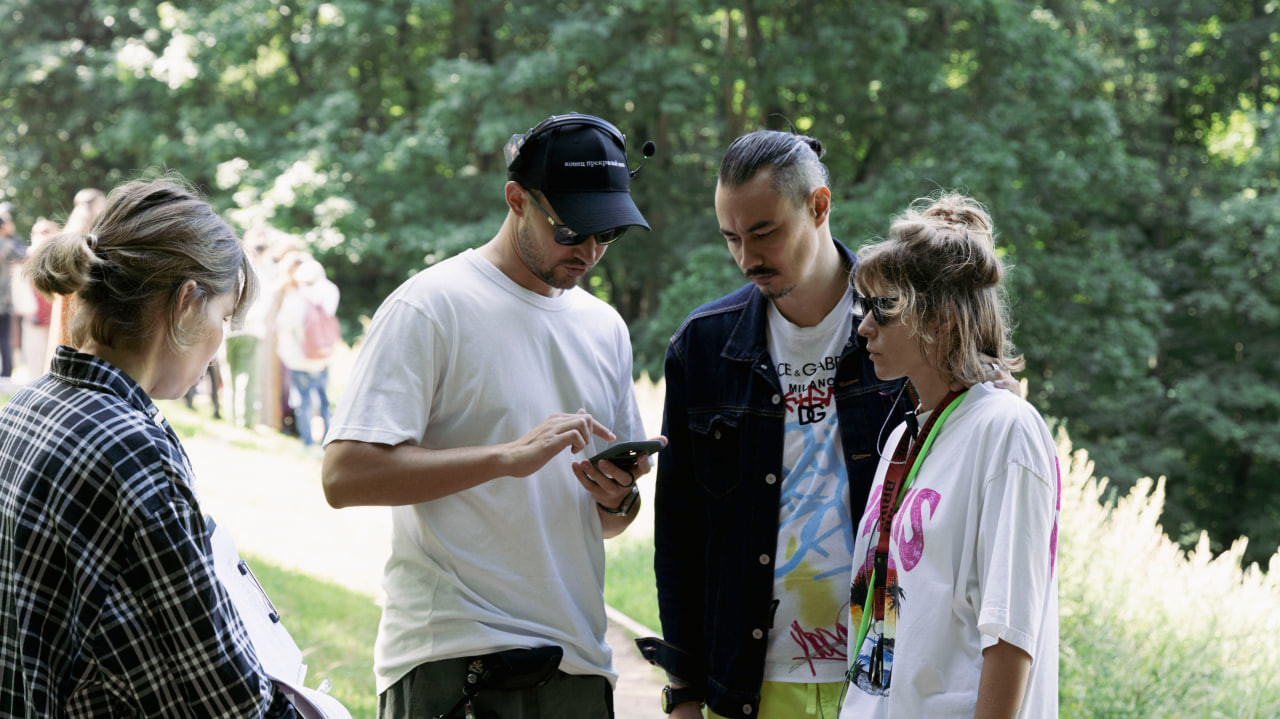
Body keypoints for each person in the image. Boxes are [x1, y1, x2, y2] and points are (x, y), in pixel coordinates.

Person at [639, 132, 1018, 718]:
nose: (746, 256)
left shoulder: (909, 325)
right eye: (731, 238)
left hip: (890, 681)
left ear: (819, 206)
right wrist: (683, 692)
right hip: (747, 684)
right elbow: (679, 537)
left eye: (764, 232)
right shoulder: (702, 347)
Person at [322, 112, 663, 718]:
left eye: (607, 233)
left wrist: (617, 499)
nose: (589, 251)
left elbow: (604, 524)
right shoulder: (431, 306)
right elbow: (344, 477)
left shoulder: (604, 327)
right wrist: (506, 458)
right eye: (572, 230)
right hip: (454, 660)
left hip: (579, 664)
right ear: (516, 200)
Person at [0, 177, 297, 717]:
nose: (219, 345)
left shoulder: (27, 404)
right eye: (222, 317)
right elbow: (225, 697)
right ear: (186, 303)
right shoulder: (131, 448)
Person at [838, 192, 1059, 718]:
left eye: (883, 307)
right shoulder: (904, 437)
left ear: (940, 318)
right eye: (863, 307)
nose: (864, 326)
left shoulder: (1006, 431)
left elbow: (1010, 632)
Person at [275, 255, 339, 446]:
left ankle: (308, 441)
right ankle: (327, 438)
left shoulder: (295, 300)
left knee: (303, 400)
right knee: (323, 399)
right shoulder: (330, 294)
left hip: (299, 359)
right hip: (323, 356)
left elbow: (283, 327)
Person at [0, 204, 29, 379]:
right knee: (4, 336)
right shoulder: (7, 244)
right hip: (3, 301)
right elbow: (25, 255)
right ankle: (6, 373)